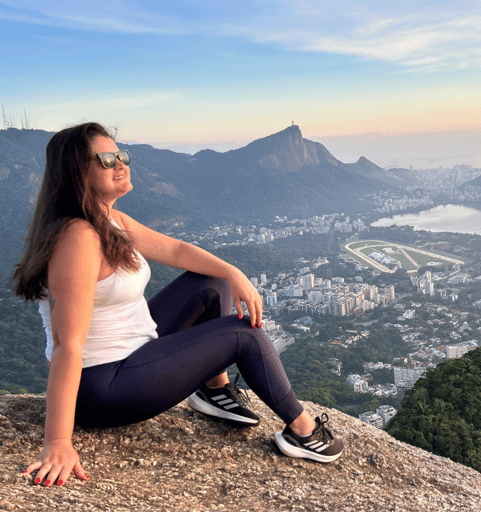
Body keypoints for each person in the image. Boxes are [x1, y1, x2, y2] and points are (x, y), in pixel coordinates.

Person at [12, 122, 343, 488]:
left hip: (134, 352)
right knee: (241, 334)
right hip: (101, 387)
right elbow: (67, 343)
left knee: (212, 281)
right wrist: (57, 441)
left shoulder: (109, 219)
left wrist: (234, 272)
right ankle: (304, 432)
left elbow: (175, 250)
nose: (121, 163)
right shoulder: (80, 238)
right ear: (77, 171)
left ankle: (214, 389)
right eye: (107, 159)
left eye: (121, 155)